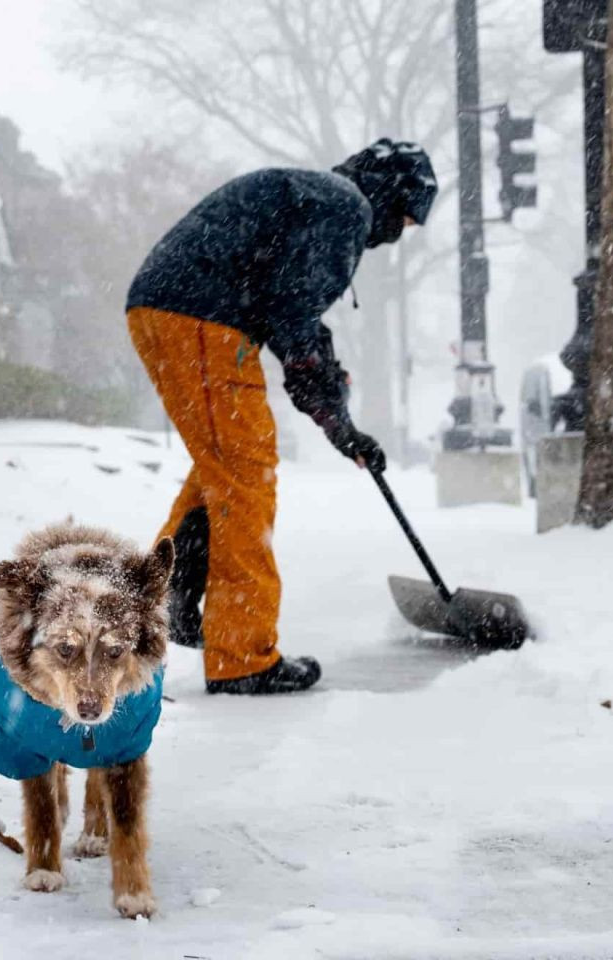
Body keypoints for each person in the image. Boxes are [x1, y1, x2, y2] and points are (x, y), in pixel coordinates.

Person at [126, 139, 437, 696]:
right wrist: (335, 416)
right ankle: (243, 656)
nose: (395, 234)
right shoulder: (347, 207)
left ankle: (163, 592)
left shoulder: (319, 199)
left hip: (170, 309)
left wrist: (341, 427)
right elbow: (294, 314)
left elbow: (297, 317)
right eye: (405, 219)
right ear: (390, 194)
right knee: (246, 476)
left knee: (224, 465)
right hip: (201, 318)